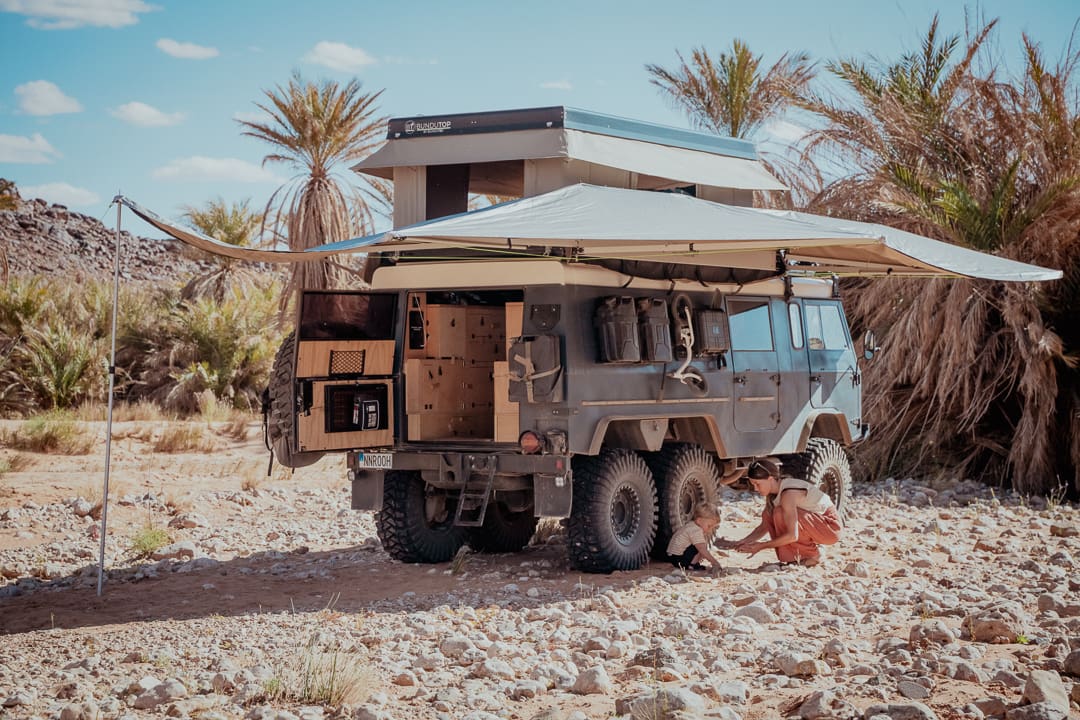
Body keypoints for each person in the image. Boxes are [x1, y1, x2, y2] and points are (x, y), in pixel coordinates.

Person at [720, 459, 842, 566]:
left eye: (758, 484)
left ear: (770, 479)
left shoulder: (788, 494)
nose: (756, 489)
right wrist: (743, 542)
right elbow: (764, 526)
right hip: (817, 525)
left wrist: (761, 546)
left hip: (831, 528)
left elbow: (792, 535)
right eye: (753, 485)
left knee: (779, 513)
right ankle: (798, 555)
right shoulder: (776, 493)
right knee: (770, 514)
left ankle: (813, 555)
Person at [665, 503, 724, 570]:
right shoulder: (696, 530)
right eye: (709, 526)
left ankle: (692, 563)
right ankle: (692, 565)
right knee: (702, 547)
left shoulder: (691, 525)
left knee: (700, 544)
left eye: (712, 528)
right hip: (679, 559)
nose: (710, 530)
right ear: (699, 520)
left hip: (672, 556)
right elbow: (702, 549)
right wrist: (715, 562)